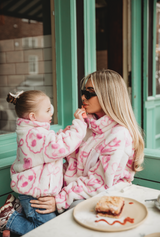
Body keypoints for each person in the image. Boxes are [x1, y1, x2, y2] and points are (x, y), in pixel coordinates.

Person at [29, 69, 144, 214]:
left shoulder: (119, 135)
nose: (83, 97)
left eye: (90, 93)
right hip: (73, 191)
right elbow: (65, 158)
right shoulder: (87, 125)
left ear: (107, 96)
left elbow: (99, 182)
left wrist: (59, 200)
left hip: (101, 198)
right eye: (83, 91)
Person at [0, 90, 87, 235]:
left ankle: (15, 212)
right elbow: (58, 147)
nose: (51, 113)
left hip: (35, 191)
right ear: (33, 116)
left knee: (47, 227)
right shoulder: (34, 134)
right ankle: (10, 219)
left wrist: (62, 134)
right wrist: (79, 125)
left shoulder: (32, 132)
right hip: (36, 196)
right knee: (48, 232)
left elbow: (46, 150)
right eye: (47, 110)